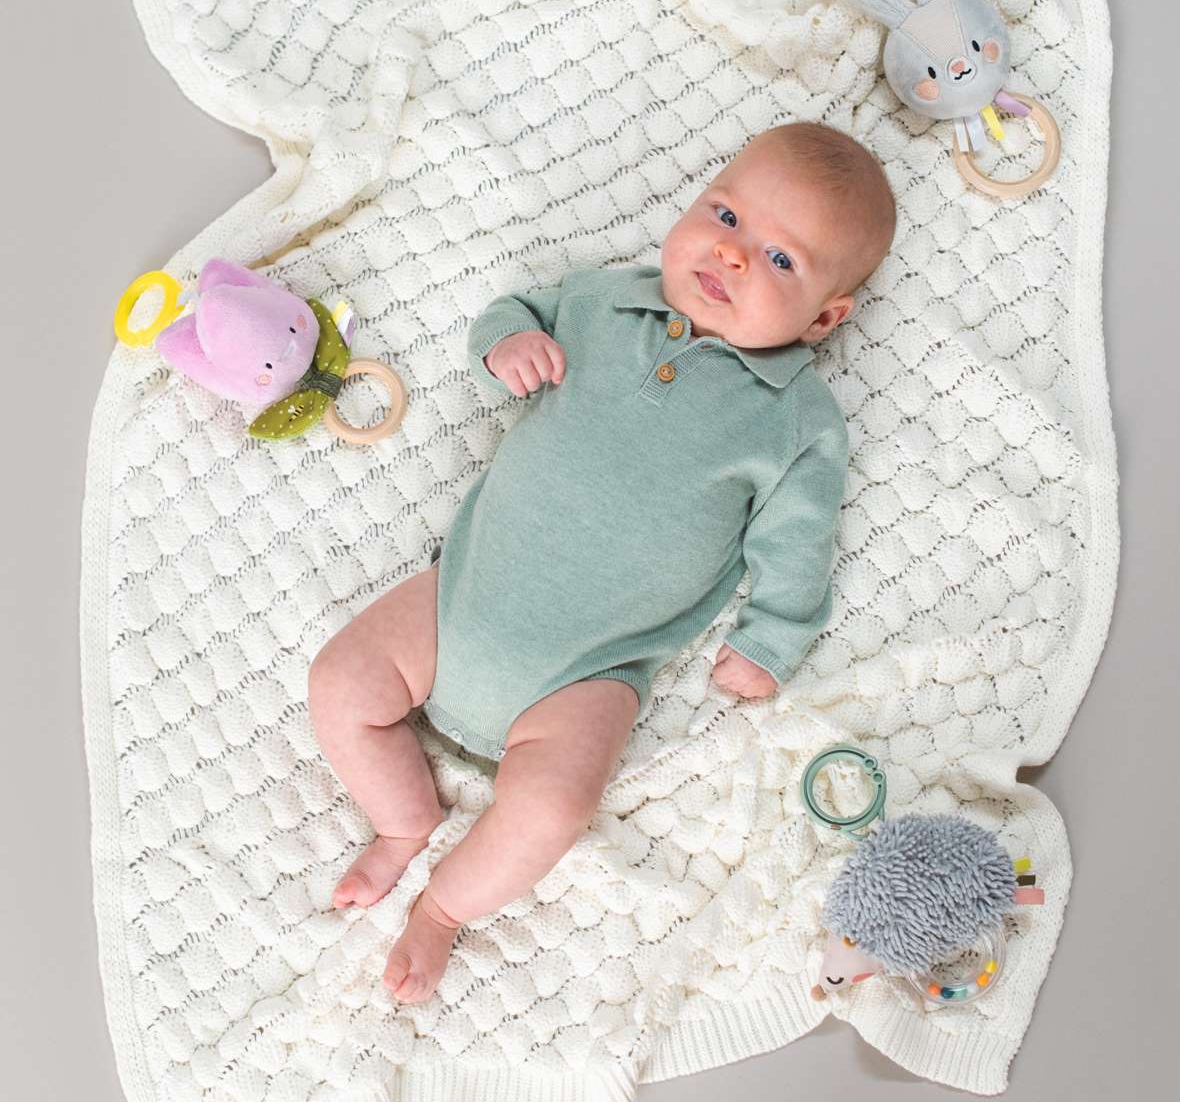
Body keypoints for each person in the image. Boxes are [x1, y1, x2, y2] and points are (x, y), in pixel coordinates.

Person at [307, 121, 897, 1002]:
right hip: (461, 597)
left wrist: (772, 638)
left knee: (552, 807)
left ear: (824, 319)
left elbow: (799, 541)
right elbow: (515, 313)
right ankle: (401, 822)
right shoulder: (602, 301)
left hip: (588, 674)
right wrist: (506, 346)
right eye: (725, 216)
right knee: (339, 683)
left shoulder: (796, 421)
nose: (732, 255)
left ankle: (442, 910)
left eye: (780, 261)